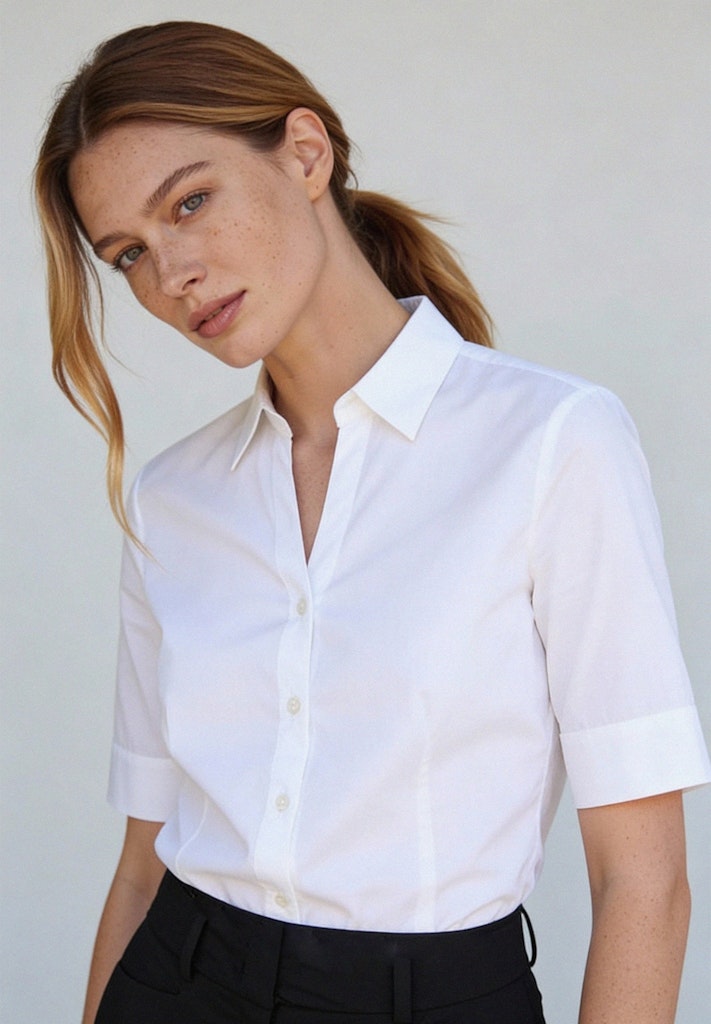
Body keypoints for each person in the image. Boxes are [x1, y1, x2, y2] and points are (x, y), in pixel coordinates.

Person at [35, 20, 710, 1024]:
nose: (171, 272)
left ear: (306, 153)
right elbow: (143, 862)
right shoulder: (173, 500)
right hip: (177, 978)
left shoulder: (552, 442)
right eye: (129, 253)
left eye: (190, 201)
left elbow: (643, 881)